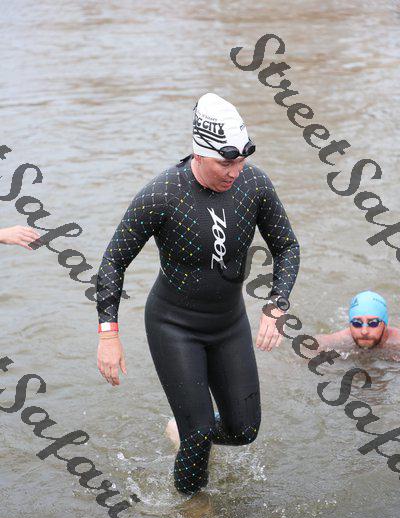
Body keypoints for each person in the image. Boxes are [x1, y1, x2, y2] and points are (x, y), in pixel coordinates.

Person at [96, 92, 300, 495]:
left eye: (241, 160)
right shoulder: (161, 195)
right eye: (226, 163)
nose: (235, 171)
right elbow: (112, 263)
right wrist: (108, 334)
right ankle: (195, 510)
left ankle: (184, 432)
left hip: (228, 323)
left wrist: (276, 305)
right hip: (174, 326)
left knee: (244, 430)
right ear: (200, 153)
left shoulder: (254, 184)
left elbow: (287, 246)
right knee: (200, 432)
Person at [316, 290, 400, 351]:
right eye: (357, 323)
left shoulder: (397, 342)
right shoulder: (341, 340)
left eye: (373, 323)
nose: (364, 331)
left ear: (385, 324)